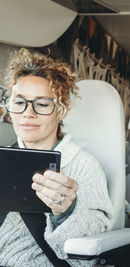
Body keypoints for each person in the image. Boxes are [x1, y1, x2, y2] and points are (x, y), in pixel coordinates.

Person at [0, 48, 113, 266]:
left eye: (42, 104)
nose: (28, 113)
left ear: (61, 111)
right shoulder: (3, 157)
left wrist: (66, 212)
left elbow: (89, 249)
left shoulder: (85, 166)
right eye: (19, 102)